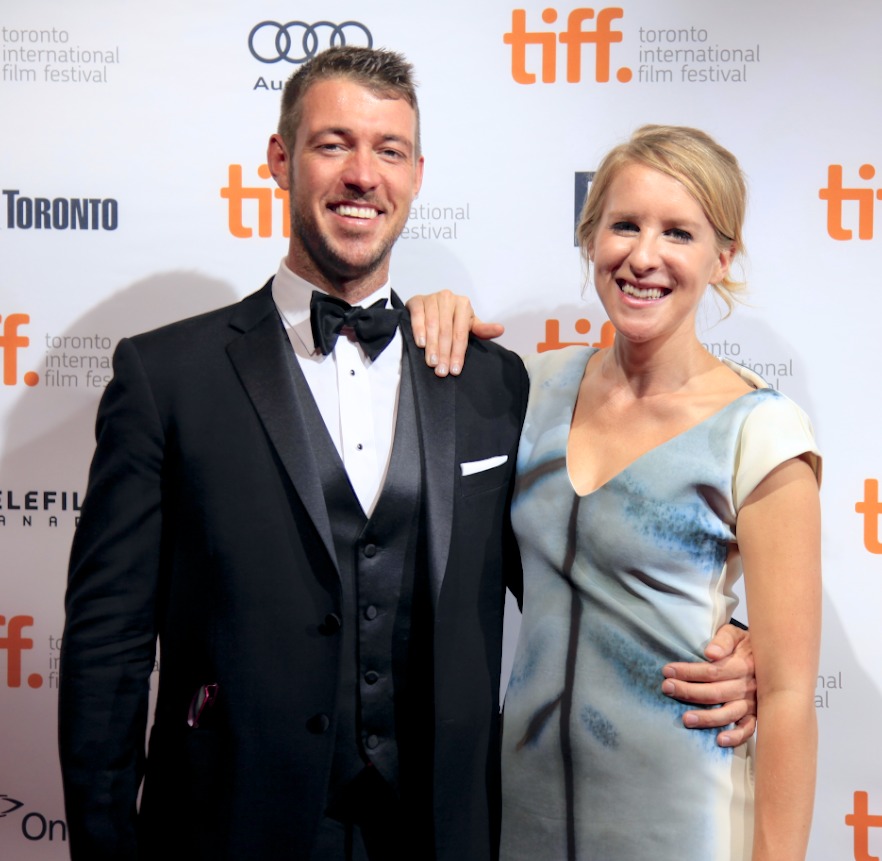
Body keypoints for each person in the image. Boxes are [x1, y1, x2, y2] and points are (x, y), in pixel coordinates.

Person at [58, 45, 756, 861]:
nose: (363, 174)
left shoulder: (489, 385)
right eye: (333, 144)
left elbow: (574, 580)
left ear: (417, 174)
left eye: (389, 151)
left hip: (443, 829)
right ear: (279, 160)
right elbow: (106, 650)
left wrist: (733, 643)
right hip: (228, 827)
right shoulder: (167, 376)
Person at [409, 125, 821, 860]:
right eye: (624, 224)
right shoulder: (529, 388)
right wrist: (438, 311)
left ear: (721, 257)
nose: (643, 256)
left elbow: (788, 697)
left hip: (682, 822)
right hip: (522, 814)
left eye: (679, 233)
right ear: (590, 238)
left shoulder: (759, 430)